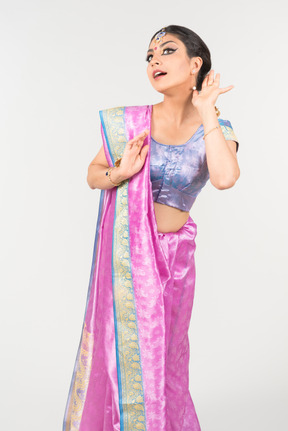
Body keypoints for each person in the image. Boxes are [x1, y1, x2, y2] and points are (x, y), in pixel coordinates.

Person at [63, 25, 240, 431]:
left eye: (167, 51)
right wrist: (119, 171)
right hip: (124, 259)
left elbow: (226, 176)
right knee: (118, 352)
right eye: (149, 56)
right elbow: (93, 175)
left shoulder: (216, 127)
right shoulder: (131, 123)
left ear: (196, 64)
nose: (154, 60)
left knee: (166, 359)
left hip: (175, 262)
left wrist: (209, 112)